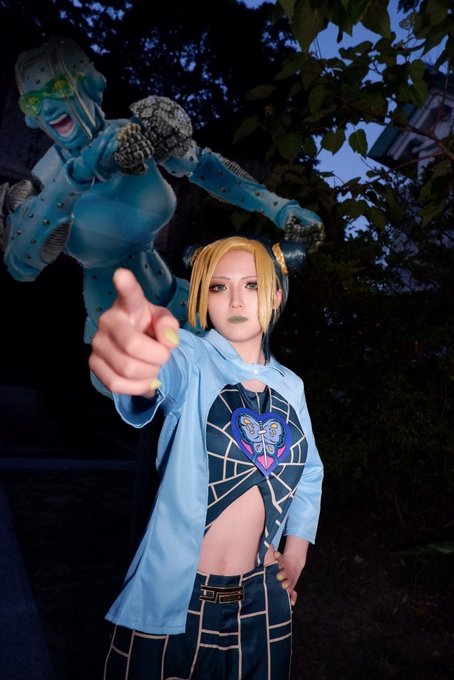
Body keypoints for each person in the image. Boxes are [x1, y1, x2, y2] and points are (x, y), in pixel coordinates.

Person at [1, 35, 325, 396]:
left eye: (60, 87)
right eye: (34, 101)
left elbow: (206, 167)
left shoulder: (138, 136)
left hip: (180, 304)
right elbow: (21, 262)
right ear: (30, 116)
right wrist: (75, 176)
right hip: (124, 335)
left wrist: (280, 208)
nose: (49, 106)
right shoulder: (43, 185)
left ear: (91, 85)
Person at [89, 235, 324, 679]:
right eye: (218, 286)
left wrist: (295, 557)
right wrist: (137, 363)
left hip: (262, 599)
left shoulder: (291, 386)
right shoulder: (193, 356)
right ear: (201, 295)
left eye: (252, 285)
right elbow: (163, 369)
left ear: (276, 295)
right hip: (176, 597)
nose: (235, 299)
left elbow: (310, 472)